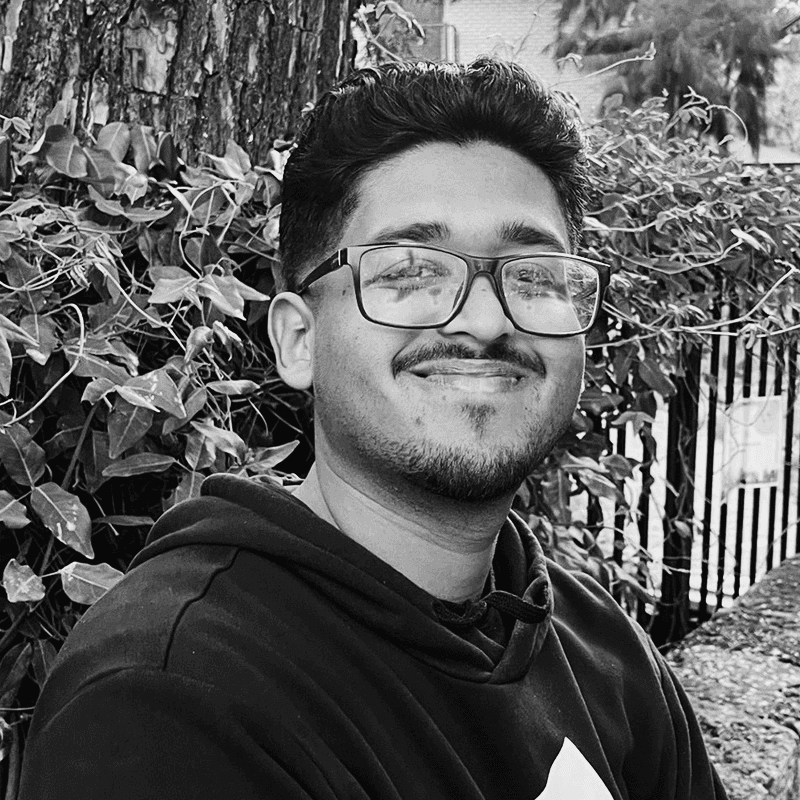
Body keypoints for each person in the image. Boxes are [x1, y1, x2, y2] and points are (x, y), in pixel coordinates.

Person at [19, 58, 727, 799]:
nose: (485, 321)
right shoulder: (166, 704)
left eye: (534, 275)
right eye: (409, 274)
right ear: (299, 340)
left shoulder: (609, 658)